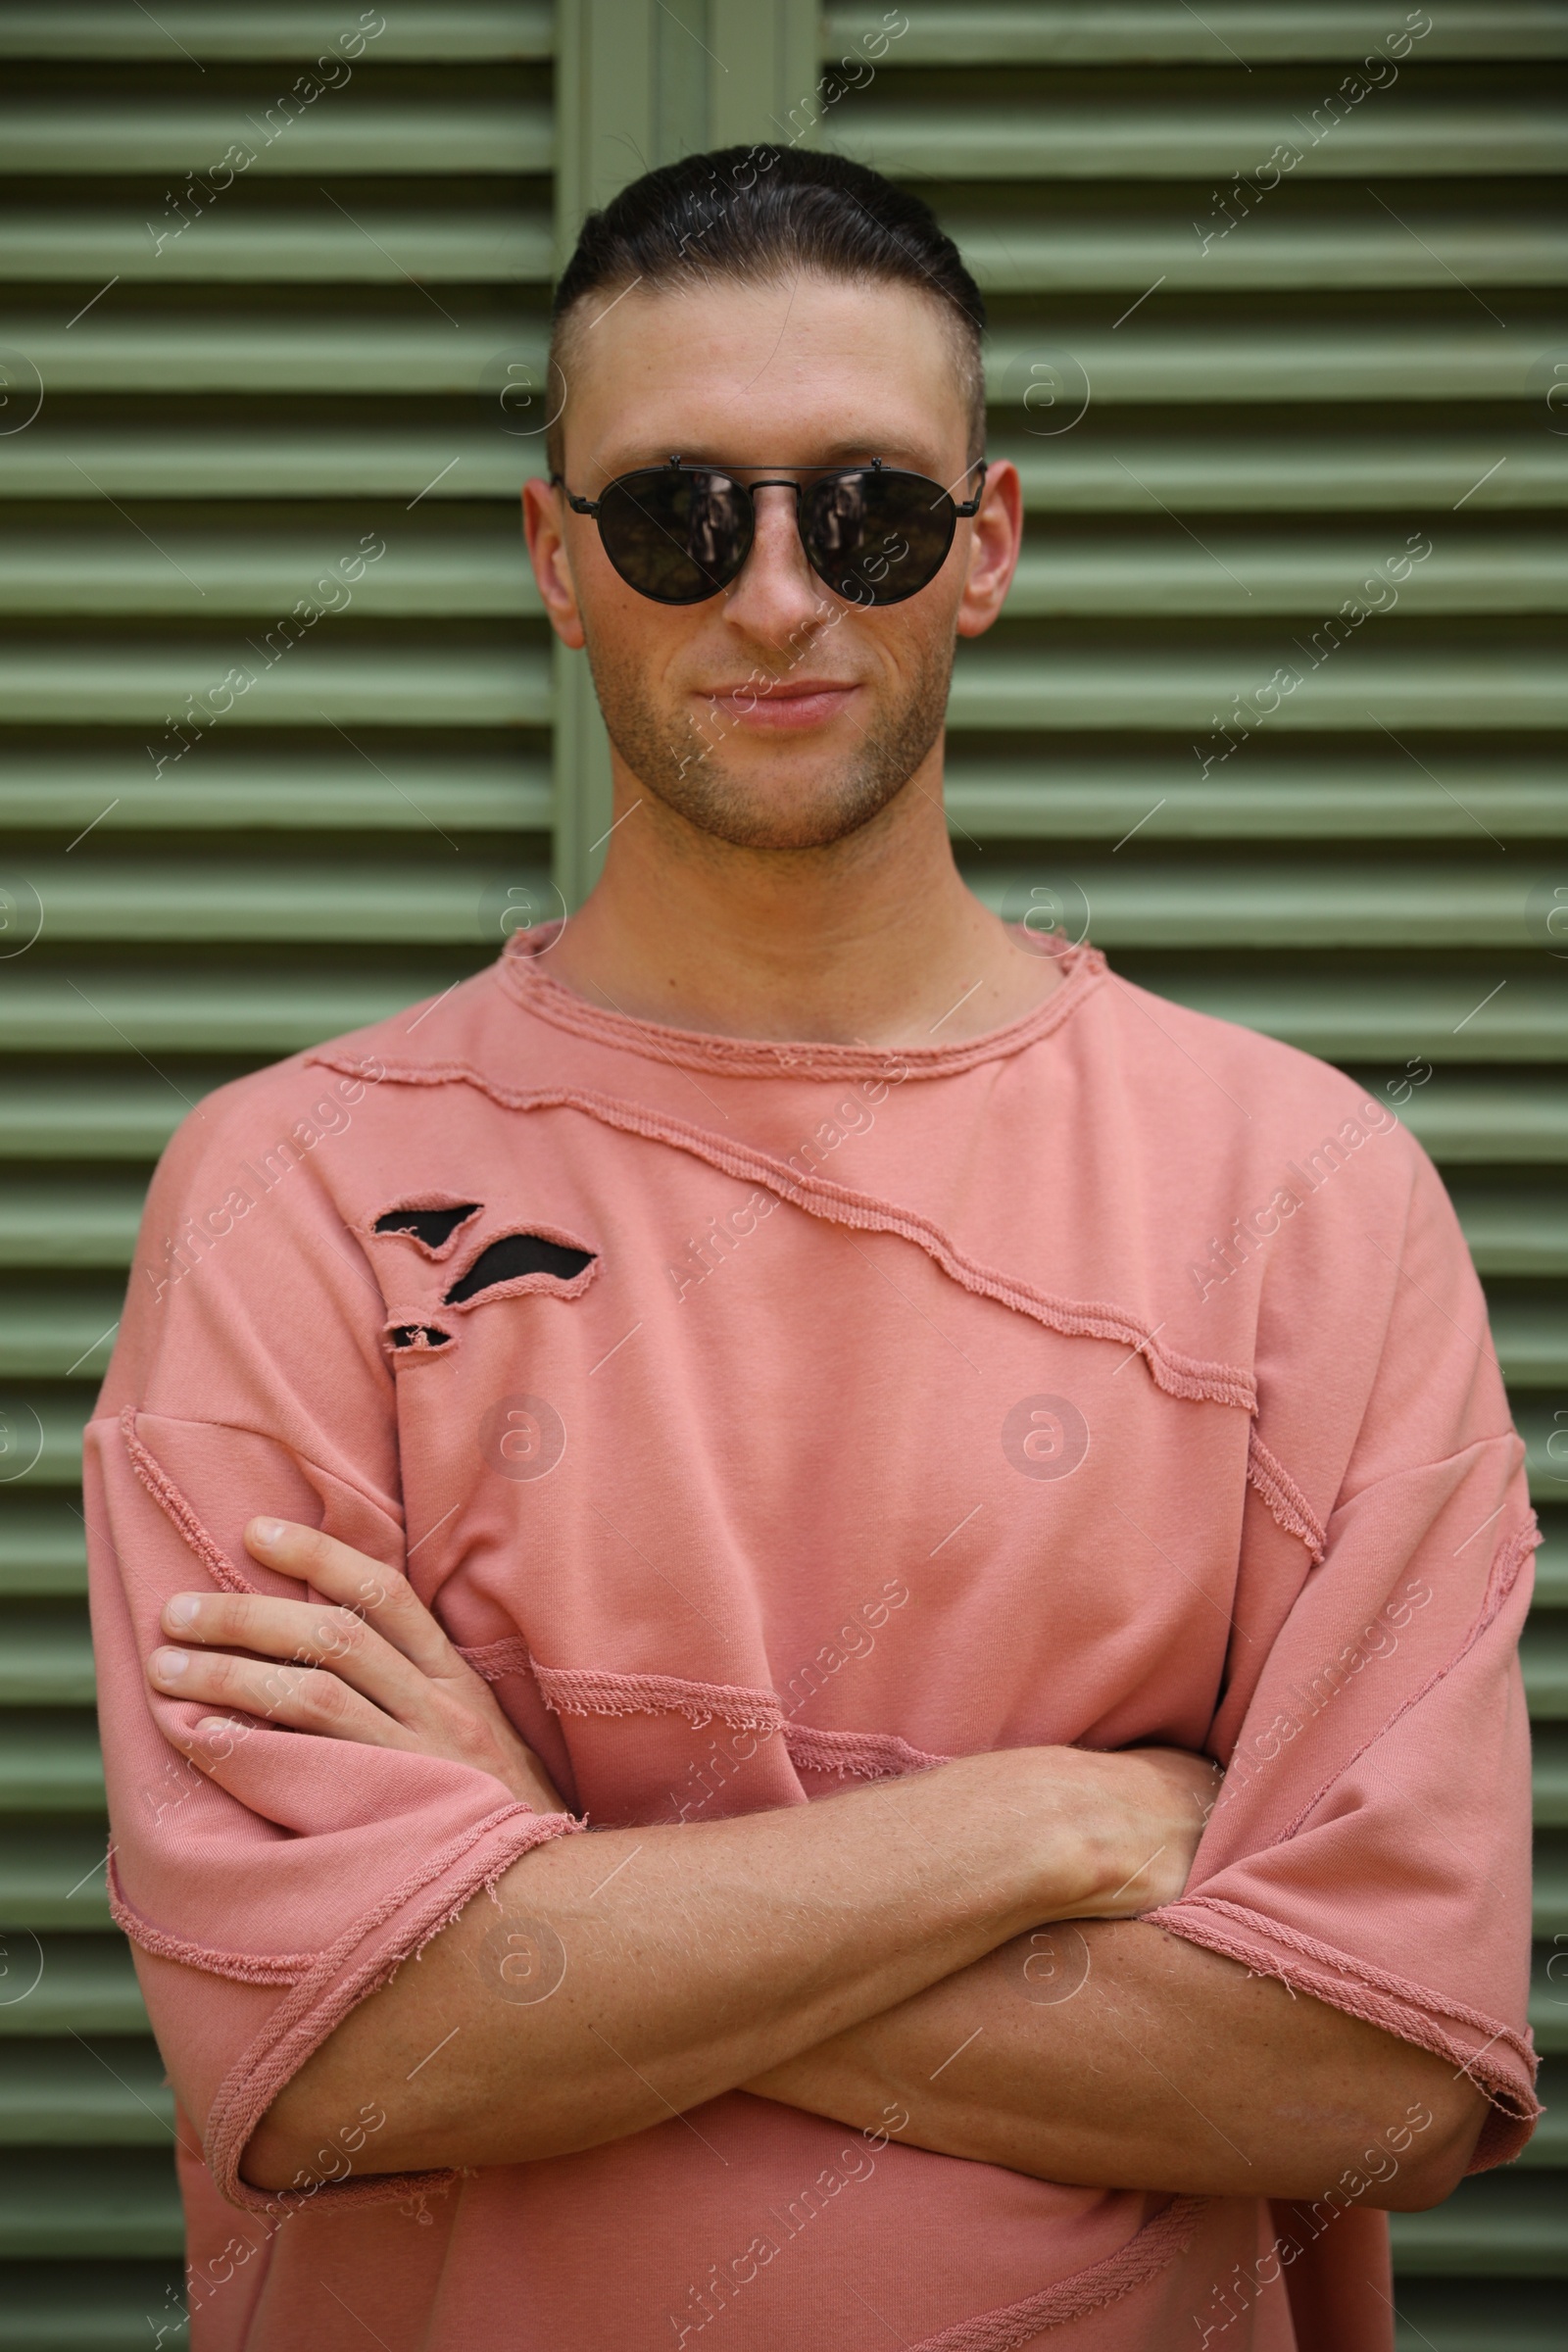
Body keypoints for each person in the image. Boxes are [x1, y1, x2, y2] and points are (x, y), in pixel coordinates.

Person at [87, 148, 1537, 2352]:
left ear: (989, 547)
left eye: (864, 512)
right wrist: (1041, 1834)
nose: (774, 599)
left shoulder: (1300, 1196)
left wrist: (545, 1903)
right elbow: (331, 2054)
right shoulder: (293, 1186)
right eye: (678, 517)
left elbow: (1376, 2078)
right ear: (554, 564)